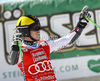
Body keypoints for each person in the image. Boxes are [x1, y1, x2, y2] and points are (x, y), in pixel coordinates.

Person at [9, 8, 91, 81]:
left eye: (39, 26)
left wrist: (81, 25)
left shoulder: (45, 45)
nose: (39, 30)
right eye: (35, 27)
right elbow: (12, 61)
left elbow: (68, 40)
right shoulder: (21, 51)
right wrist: (15, 46)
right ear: (25, 31)